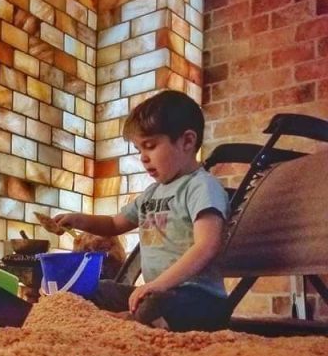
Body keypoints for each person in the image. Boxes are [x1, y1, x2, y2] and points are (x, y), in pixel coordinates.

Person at [45, 90, 230, 331]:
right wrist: (78, 219)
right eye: (139, 150)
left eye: (150, 146)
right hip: (157, 293)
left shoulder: (201, 186)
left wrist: (160, 284)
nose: (143, 158)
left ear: (187, 141)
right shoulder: (151, 195)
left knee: (159, 304)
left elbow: (208, 245)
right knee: (99, 289)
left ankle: (130, 322)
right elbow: (113, 225)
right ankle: (132, 318)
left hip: (199, 297)